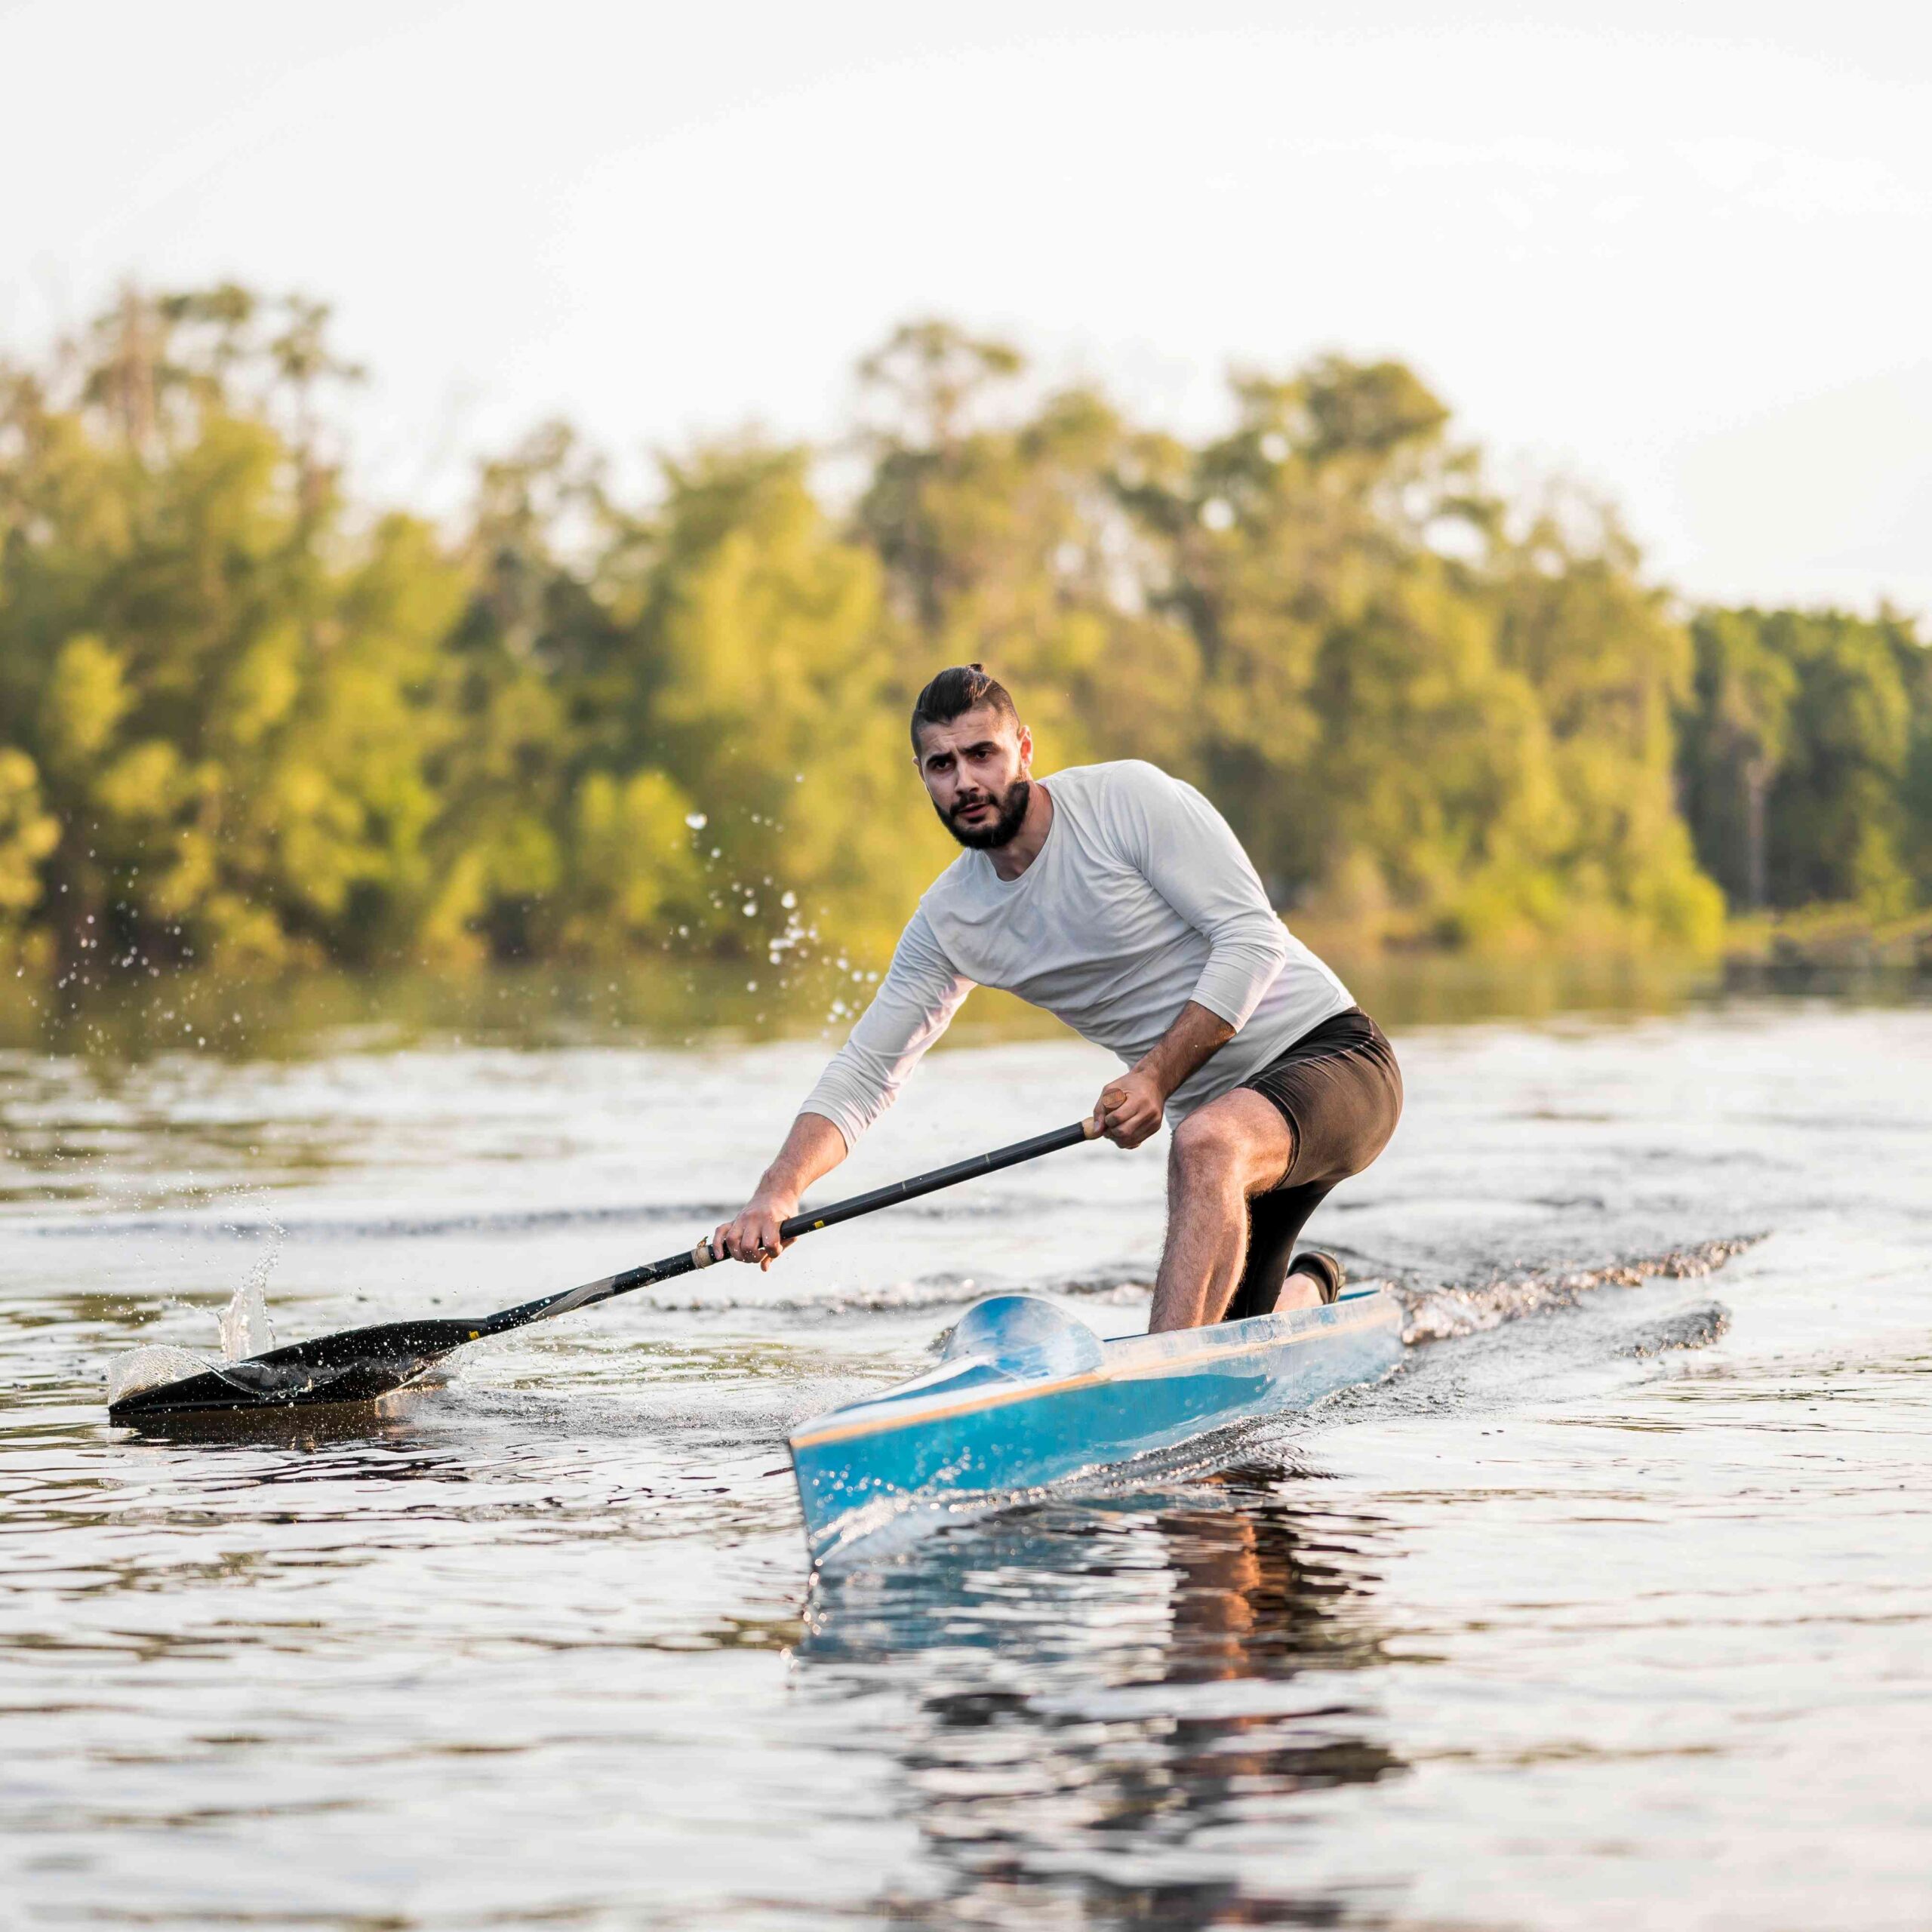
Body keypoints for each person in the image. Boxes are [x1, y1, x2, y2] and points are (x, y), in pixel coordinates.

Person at [712, 665, 1401, 1331]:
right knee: (1236, 1329)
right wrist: (779, 1190)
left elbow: (1253, 940)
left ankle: (1156, 1388)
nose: (965, 781)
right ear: (921, 777)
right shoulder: (950, 920)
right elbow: (865, 1075)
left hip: (1335, 1061)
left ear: (1026, 749)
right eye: (941, 765)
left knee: (1203, 1144)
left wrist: (1156, 1077)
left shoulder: (1125, 800)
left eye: (982, 754)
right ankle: (1310, 1290)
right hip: (1229, 1127)